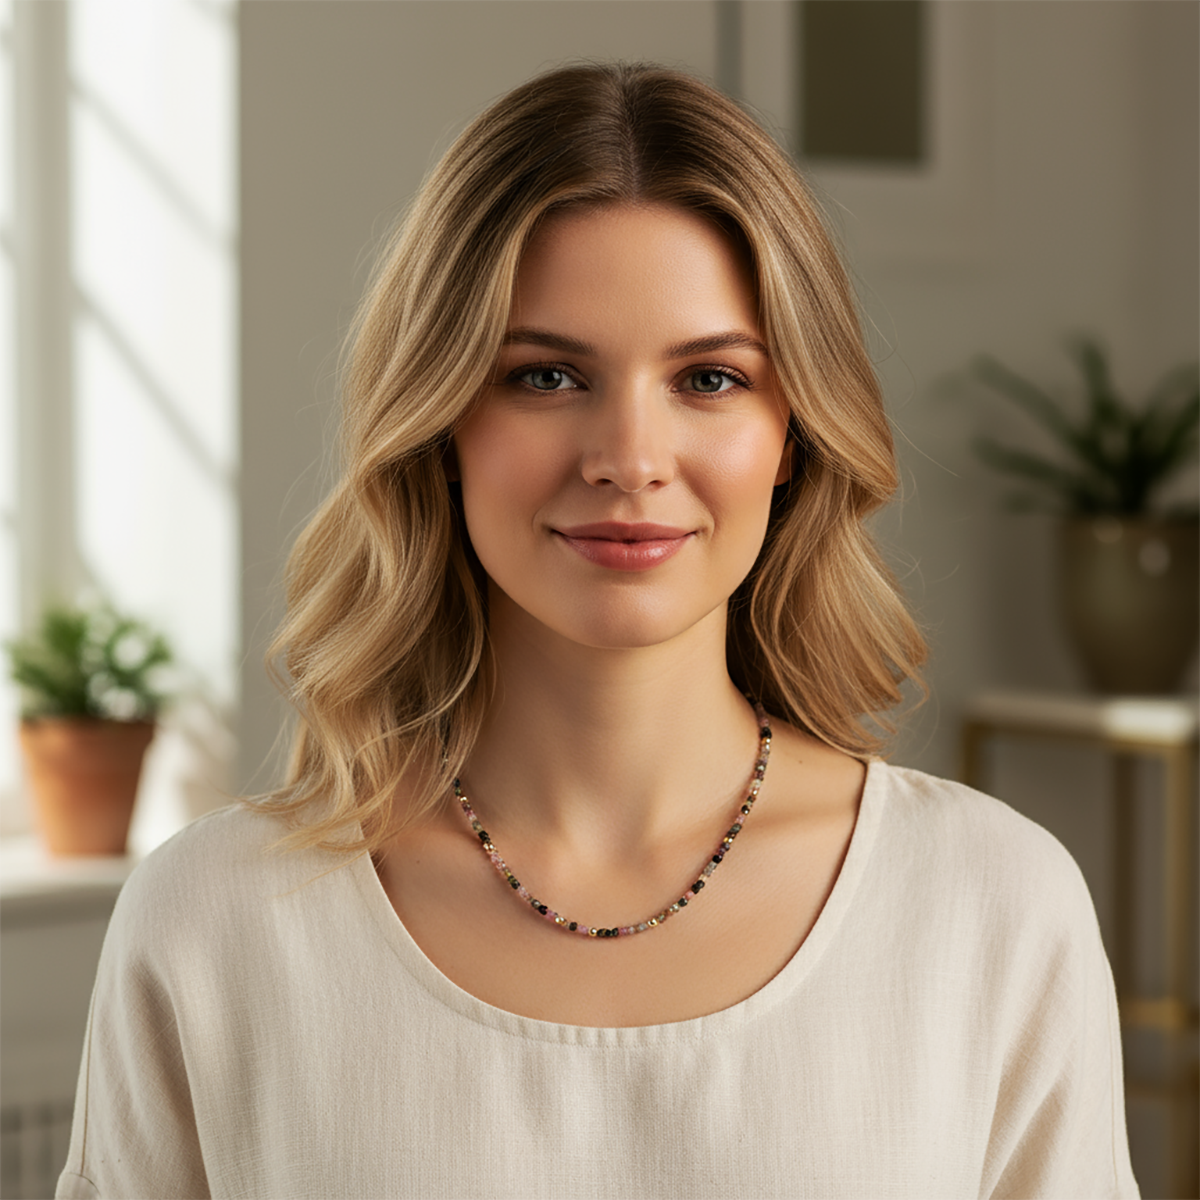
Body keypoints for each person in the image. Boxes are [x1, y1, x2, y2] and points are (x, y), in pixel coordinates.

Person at [58, 62, 1138, 1199]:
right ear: (441, 423)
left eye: (710, 377)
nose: (629, 456)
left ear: (796, 435)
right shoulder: (213, 924)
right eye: (547, 375)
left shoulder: (993, 907)